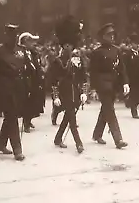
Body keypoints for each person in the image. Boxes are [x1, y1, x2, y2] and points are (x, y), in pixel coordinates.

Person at [0, 23, 26, 161]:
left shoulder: (21, 50)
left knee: (10, 117)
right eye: (10, 35)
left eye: (15, 35)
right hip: (4, 89)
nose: (13, 38)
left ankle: (1, 144)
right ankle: (17, 150)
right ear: (6, 36)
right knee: (12, 117)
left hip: (18, 88)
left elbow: (24, 71)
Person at [48, 15, 87, 153]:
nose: (68, 47)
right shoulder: (57, 61)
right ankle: (79, 143)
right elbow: (53, 80)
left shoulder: (78, 59)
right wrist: (55, 96)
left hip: (75, 92)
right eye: (66, 45)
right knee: (71, 118)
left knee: (67, 117)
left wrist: (83, 92)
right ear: (62, 45)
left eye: (70, 45)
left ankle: (58, 138)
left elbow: (83, 76)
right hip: (64, 93)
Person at [89, 23, 129, 149]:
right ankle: (118, 139)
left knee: (106, 109)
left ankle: (97, 134)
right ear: (103, 37)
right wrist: (94, 88)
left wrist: (125, 83)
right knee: (110, 111)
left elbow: (122, 69)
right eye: (108, 35)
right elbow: (93, 72)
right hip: (103, 86)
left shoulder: (116, 50)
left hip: (114, 85)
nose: (111, 37)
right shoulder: (97, 53)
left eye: (112, 34)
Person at [18, 32, 45, 133]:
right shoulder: (20, 53)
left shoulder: (34, 53)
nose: (33, 43)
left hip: (34, 80)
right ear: (25, 42)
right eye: (30, 41)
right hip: (25, 81)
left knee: (33, 101)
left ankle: (28, 120)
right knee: (26, 103)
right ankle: (26, 123)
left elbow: (37, 66)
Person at [124, 38, 139, 119]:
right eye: (134, 43)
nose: (136, 45)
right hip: (132, 78)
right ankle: (134, 111)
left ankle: (130, 102)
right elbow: (126, 67)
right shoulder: (128, 54)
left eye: (137, 43)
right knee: (134, 95)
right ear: (131, 44)